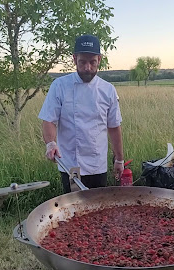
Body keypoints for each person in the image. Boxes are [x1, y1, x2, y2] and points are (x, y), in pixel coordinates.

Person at [39, 34, 124, 193]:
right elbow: (49, 119)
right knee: (74, 210)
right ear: (74, 59)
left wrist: (119, 159)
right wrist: (50, 143)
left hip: (98, 164)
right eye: (82, 62)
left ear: (99, 59)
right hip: (71, 163)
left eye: (92, 62)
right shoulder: (60, 86)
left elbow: (114, 127)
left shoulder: (108, 90)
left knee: (98, 210)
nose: (87, 68)